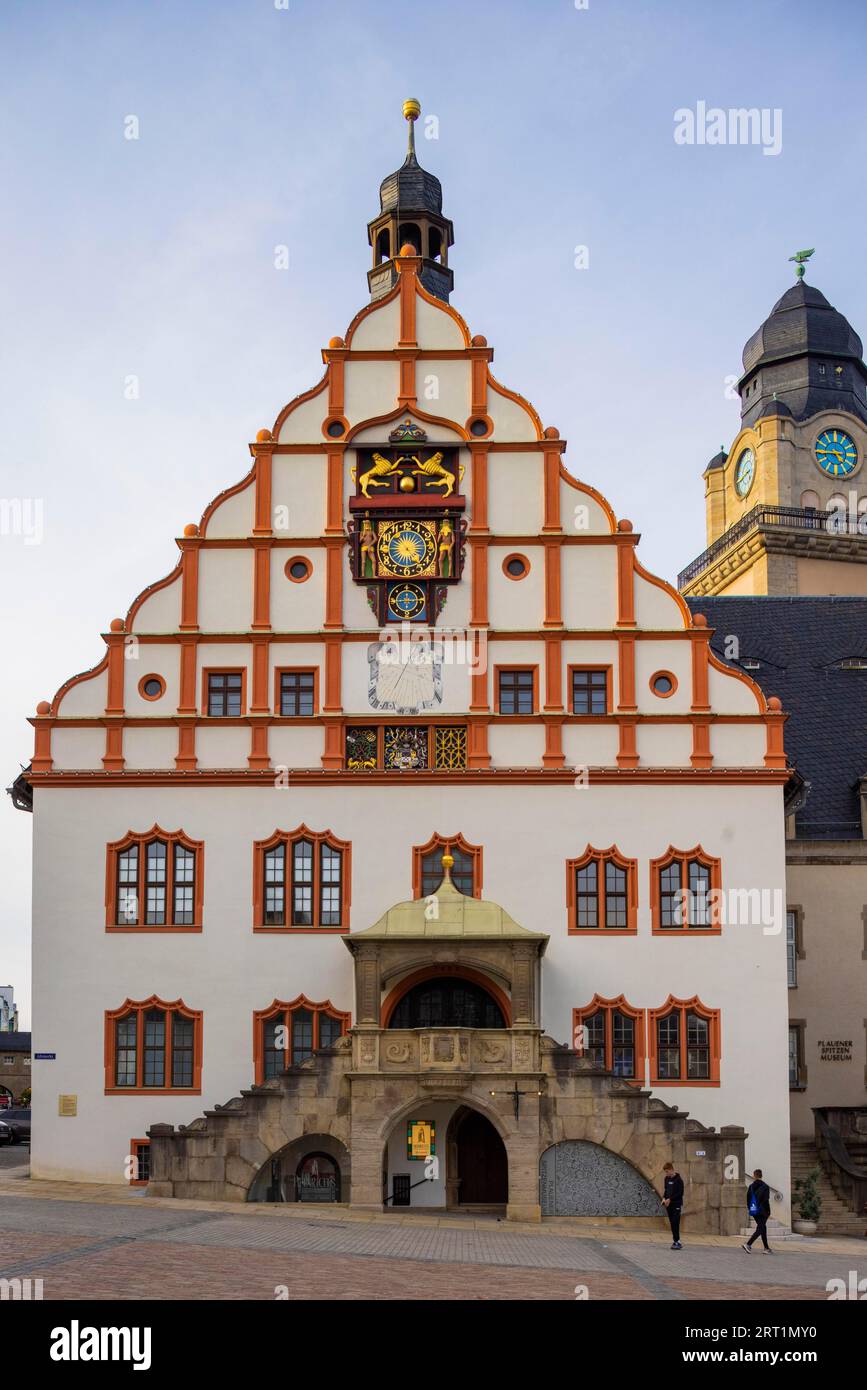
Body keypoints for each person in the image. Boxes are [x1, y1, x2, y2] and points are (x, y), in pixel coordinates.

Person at [742, 1168, 773, 1253]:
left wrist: (751, 1208)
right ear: (761, 1175)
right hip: (763, 1211)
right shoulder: (765, 1187)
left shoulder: (751, 1186)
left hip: (754, 1210)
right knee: (760, 1228)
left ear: (754, 1175)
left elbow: (748, 1199)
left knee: (763, 1227)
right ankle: (748, 1244)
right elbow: (766, 1200)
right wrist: (768, 1211)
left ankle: (766, 1248)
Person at [661, 1161, 684, 1249]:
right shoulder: (666, 1179)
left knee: (675, 1222)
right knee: (672, 1223)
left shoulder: (679, 1180)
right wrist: (664, 1198)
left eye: (667, 1172)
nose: (666, 1174)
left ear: (671, 1170)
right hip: (668, 1204)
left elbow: (680, 1193)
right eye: (665, 1172)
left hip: (676, 1204)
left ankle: (677, 1241)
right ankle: (675, 1241)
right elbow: (666, 1190)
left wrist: (670, 1199)